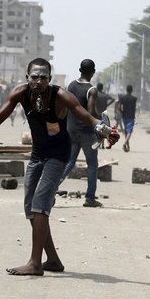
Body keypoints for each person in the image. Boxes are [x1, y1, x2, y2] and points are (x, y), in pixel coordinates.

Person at [0, 58, 118, 275]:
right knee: (31, 207)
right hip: (37, 154)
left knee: (40, 205)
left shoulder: (61, 96)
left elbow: (85, 115)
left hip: (58, 155)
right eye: (34, 77)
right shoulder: (20, 93)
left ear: (50, 79)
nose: (38, 81)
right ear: (27, 77)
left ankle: (35, 263)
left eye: (43, 77)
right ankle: (53, 260)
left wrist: (103, 129)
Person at [61, 59, 104, 208]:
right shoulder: (92, 90)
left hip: (71, 130)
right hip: (86, 132)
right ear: (92, 72)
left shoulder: (70, 85)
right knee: (92, 164)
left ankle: (50, 190)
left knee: (69, 162)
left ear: (80, 70)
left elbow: (66, 107)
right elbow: (91, 112)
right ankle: (90, 198)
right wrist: (102, 118)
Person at [114, 85, 138, 152]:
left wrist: (122, 113)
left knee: (126, 131)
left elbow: (120, 107)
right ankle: (125, 144)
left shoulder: (123, 98)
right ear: (131, 90)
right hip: (131, 116)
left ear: (126, 90)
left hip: (124, 117)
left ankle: (128, 146)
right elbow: (134, 108)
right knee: (129, 131)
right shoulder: (134, 99)